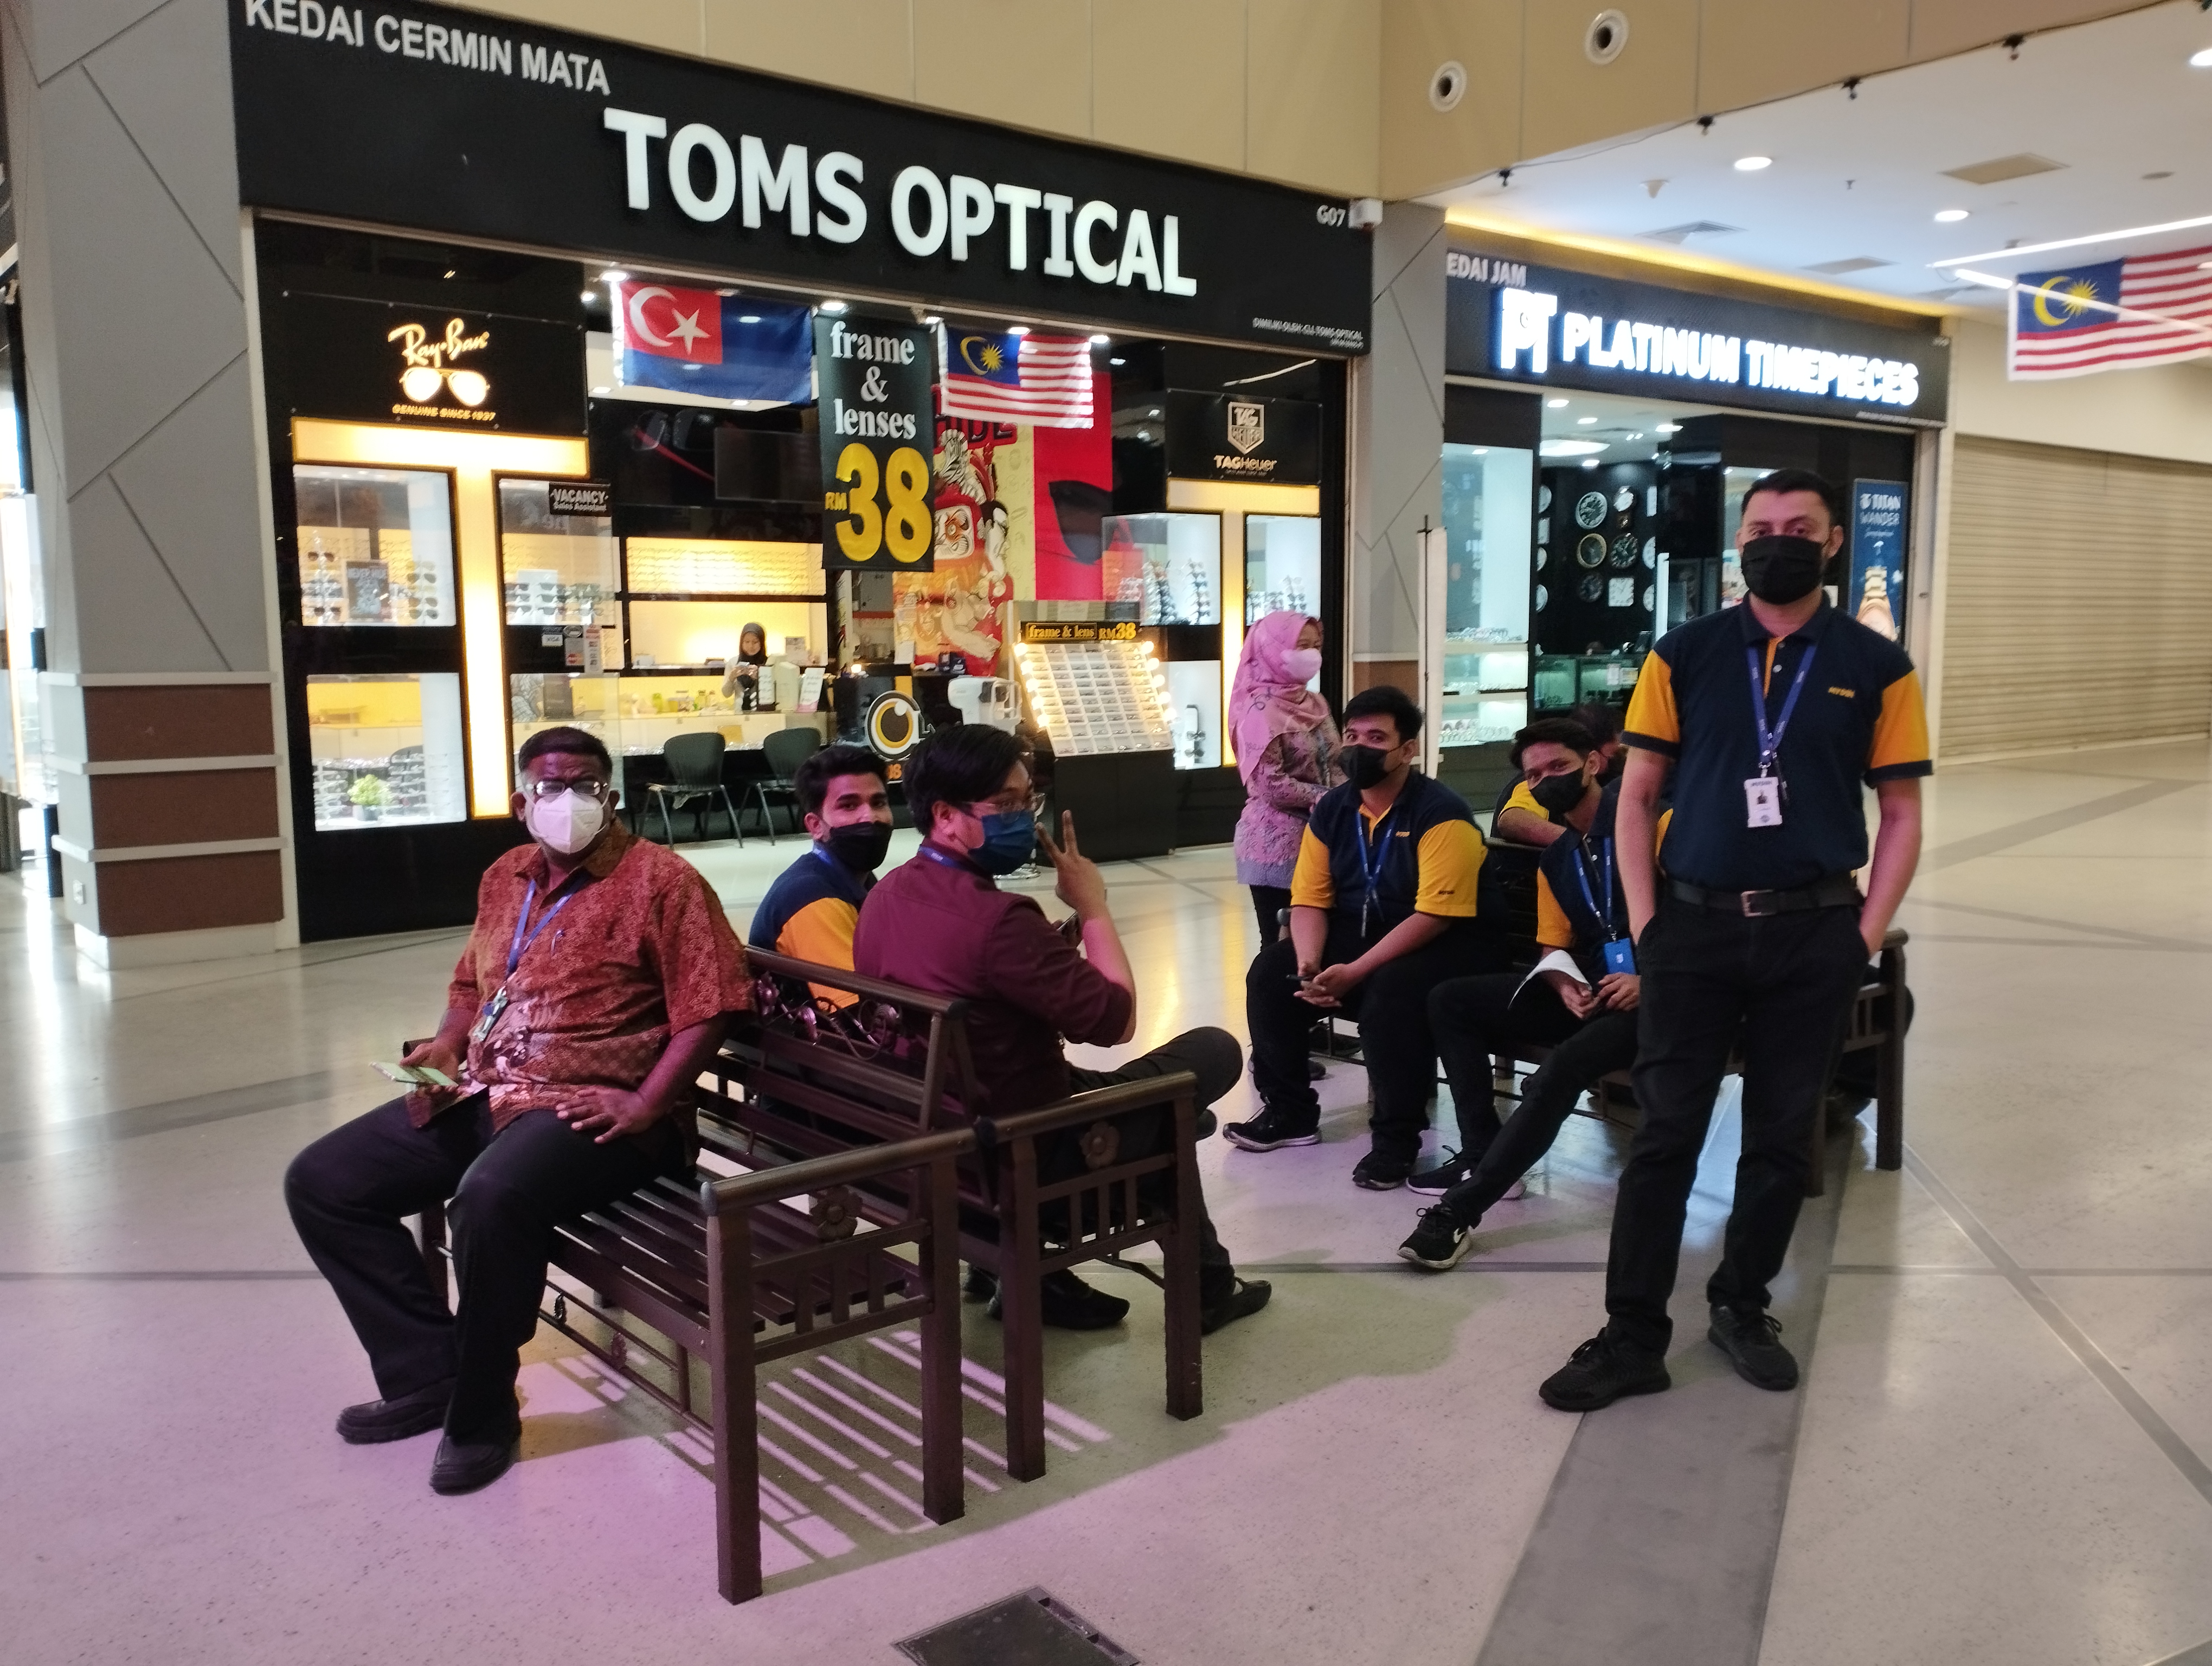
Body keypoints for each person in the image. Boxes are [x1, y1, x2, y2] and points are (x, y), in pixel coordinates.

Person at [1538, 467, 1928, 1412]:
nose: (1777, 541)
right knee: (1664, 1135)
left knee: (1783, 1136)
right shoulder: (1684, 654)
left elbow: (1902, 812)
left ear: (1833, 542)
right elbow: (1635, 798)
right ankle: (1633, 1334)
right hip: (1694, 929)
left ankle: (1742, 1304)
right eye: (1760, 527)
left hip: (1813, 933)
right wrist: (1646, 926)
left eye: (1799, 526)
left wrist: (1859, 937)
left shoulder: (1880, 667)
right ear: (1740, 539)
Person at [285, 727, 751, 1494]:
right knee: (324, 1182)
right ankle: (427, 1373)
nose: (569, 801)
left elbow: (714, 1005)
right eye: (550, 787)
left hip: (602, 1112)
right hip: (488, 1089)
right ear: (520, 802)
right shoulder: (505, 876)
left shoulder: (662, 882)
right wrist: (447, 1042)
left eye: (586, 785)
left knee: (491, 1198)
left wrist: (649, 1100)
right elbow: (472, 983)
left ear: (611, 794)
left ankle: (483, 1412)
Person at [852, 725, 1270, 1334]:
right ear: (945, 815)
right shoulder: (998, 920)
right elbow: (1118, 1021)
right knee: (1210, 1056)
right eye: (1006, 804)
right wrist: (1093, 905)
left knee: (1166, 1110)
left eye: (1030, 800)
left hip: (936, 1129)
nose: (1025, 818)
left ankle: (1171, 1269)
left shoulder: (887, 895)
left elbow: (975, 981)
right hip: (1023, 1148)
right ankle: (1208, 1287)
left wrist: (1048, 949)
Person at [1229, 685, 1508, 1190]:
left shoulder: (1442, 812)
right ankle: (1290, 1113)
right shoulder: (1334, 809)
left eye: (1377, 738)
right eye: (1353, 736)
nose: (1359, 747)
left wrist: (1355, 971)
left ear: (1408, 749)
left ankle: (1396, 1142)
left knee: (1389, 994)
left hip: (1452, 943)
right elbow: (1309, 899)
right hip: (1366, 933)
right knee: (1272, 973)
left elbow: (1434, 917)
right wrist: (1310, 966)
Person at [1400, 756, 1659, 1270]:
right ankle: (1481, 1150)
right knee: (1450, 1000)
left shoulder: (1657, 826)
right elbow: (1552, 948)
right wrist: (1565, 984)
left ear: (1592, 763)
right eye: (1533, 775)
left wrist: (1651, 981)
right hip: (1600, 989)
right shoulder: (1559, 858)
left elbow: (1701, 922)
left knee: (1560, 1069)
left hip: (1661, 998)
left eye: (1556, 766)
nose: (1544, 781)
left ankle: (1459, 1211)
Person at [748, 743, 893, 1004]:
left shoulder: (857, 879)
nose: (870, 817)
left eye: (879, 802)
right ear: (816, 826)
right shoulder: (812, 898)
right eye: (849, 806)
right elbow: (857, 1014)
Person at [1229, 611, 1341, 944]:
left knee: (1323, 939)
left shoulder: (1315, 702)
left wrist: (1350, 796)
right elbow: (1271, 784)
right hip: (1277, 842)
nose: (1312, 654)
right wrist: (1326, 797)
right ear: (1272, 649)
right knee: (1282, 942)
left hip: (1324, 834)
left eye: (1316, 646)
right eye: (1301, 646)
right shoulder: (1259, 711)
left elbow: (1335, 760)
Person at [1494, 715, 1604, 847]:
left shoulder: (1623, 818)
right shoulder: (1553, 858)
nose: (1547, 779)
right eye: (1534, 775)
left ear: (1592, 763)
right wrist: (1581, 845)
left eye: (1559, 766)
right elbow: (1511, 819)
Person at [722, 620, 771, 710]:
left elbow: (774, 694)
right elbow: (726, 694)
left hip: (764, 714)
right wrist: (731, 677)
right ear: (742, 643)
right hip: (739, 714)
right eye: (747, 642)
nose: (751, 646)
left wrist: (760, 677)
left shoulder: (768, 664)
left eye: (755, 642)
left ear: (762, 643)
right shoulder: (733, 663)